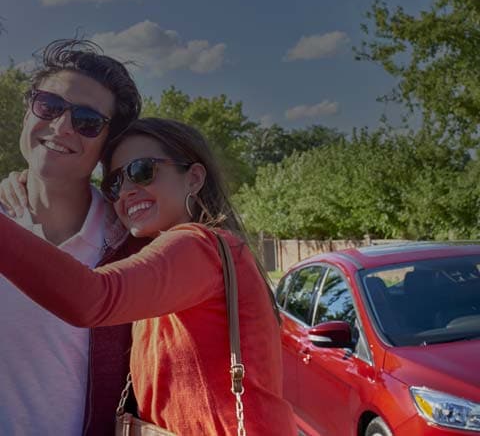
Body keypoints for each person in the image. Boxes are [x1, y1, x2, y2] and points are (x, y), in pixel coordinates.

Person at [0, 117, 297, 435]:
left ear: (194, 178)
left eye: (142, 171)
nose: (126, 191)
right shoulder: (161, 256)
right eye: (113, 184)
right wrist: (32, 183)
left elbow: (91, 298)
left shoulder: (199, 246)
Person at [0, 39, 144, 436]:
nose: (61, 126)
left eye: (87, 121)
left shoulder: (130, 250)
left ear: (106, 145)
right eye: (48, 105)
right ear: (28, 110)